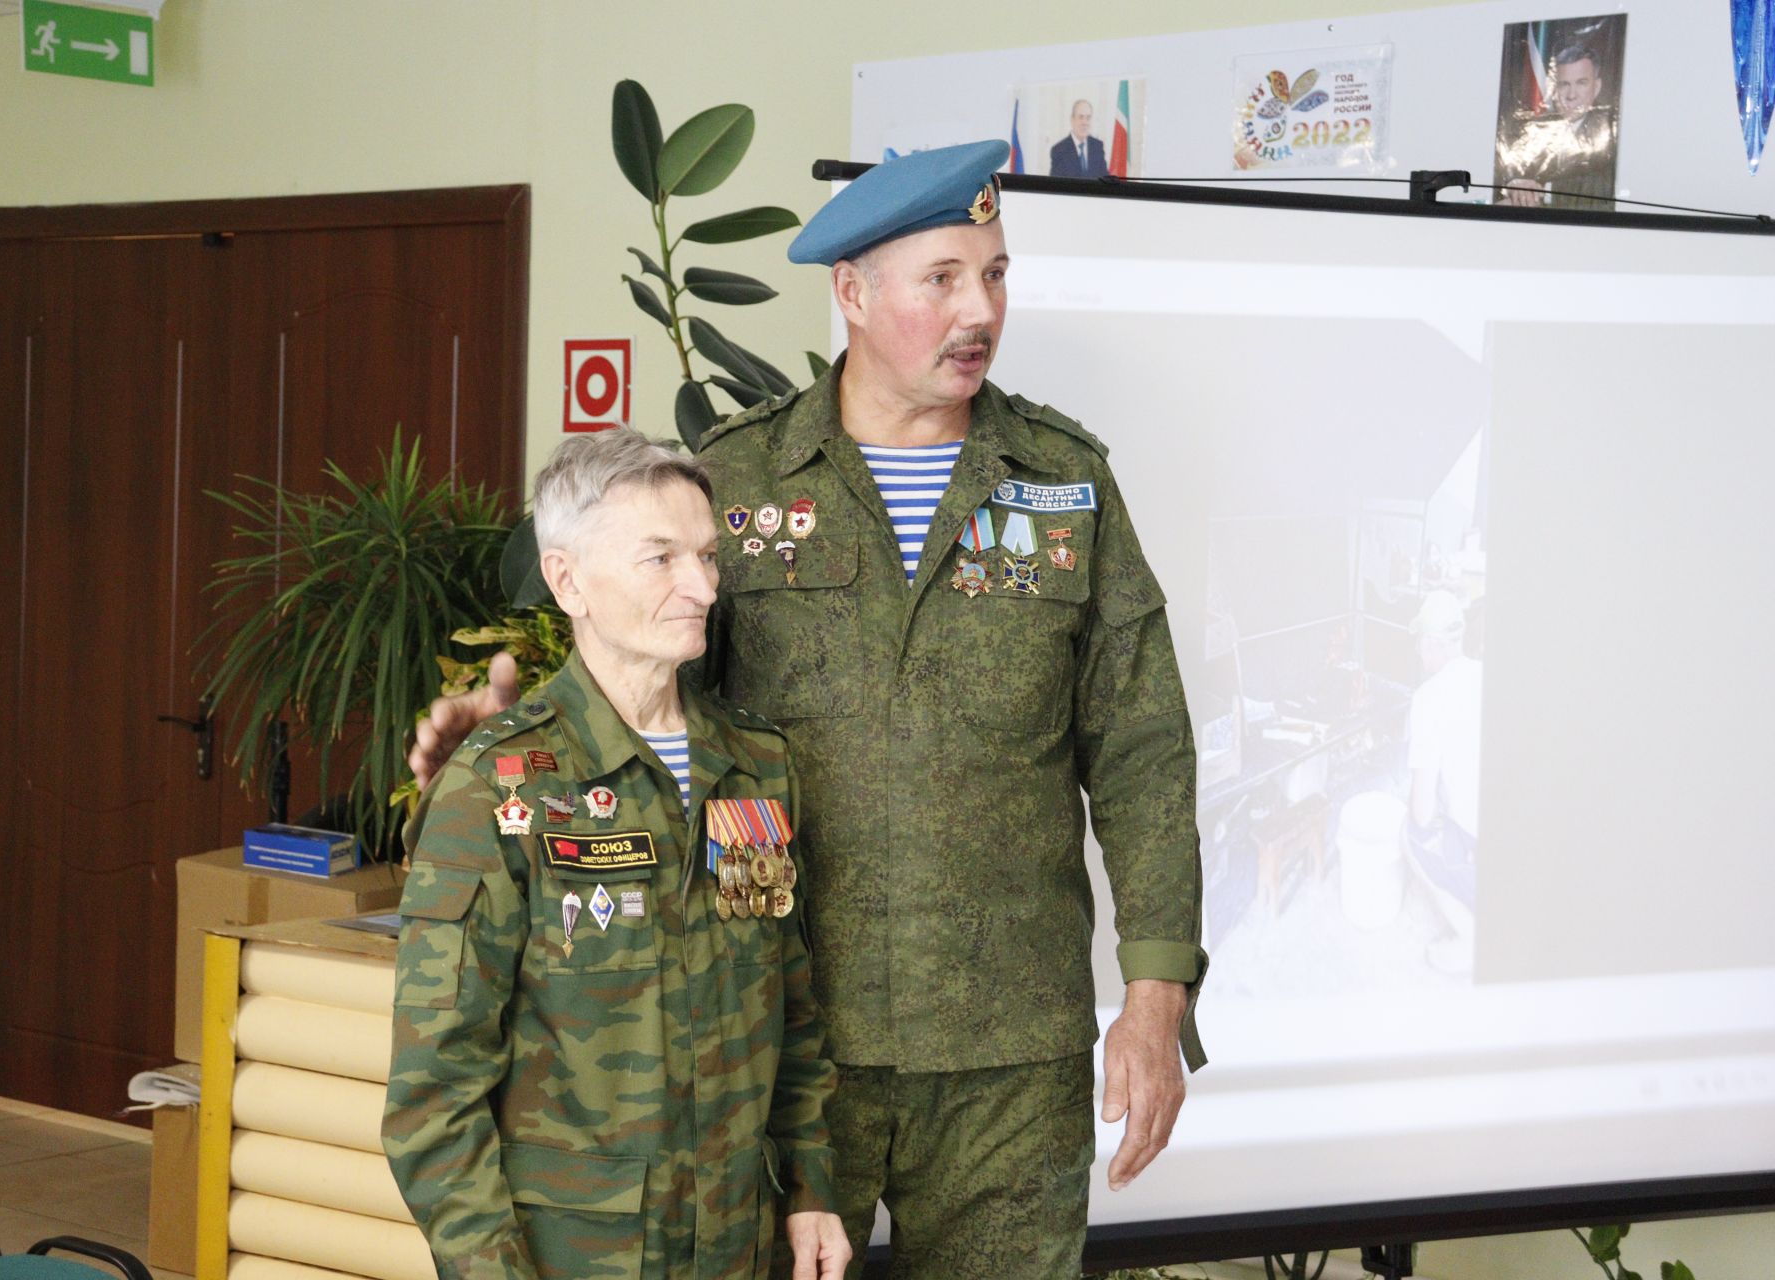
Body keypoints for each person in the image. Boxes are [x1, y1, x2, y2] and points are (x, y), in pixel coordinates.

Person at [412, 140, 1206, 1280]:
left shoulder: (1064, 482)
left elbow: (1141, 743)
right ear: (852, 291)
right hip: (780, 1040)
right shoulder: (736, 483)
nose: (978, 308)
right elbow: (632, 686)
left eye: (994, 274)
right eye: (942, 278)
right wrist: (491, 731)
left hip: (1005, 1054)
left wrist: (1154, 987)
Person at [383, 429, 850, 1280]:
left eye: (708, 556)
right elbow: (434, 1092)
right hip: (574, 1261)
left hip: (736, 1249)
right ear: (568, 581)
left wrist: (813, 1187)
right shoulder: (498, 787)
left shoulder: (756, 768)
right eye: (661, 559)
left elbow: (791, 1010)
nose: (703, 587)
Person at [1404, 589, 1481, 974]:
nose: (1419, 650)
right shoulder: (1485, 674)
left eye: (1420, 641)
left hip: (1480, 846)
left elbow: (1422, 811)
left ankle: (1471, 940)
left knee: (1411, 833)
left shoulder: (1428, 699)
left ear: (1433, 643)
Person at [1498, 43, 1618, 210]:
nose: (1571, 95)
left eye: (1581, 83)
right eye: (1564, 84)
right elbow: (1508, 166)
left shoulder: (1610, 131)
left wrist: (1542, 191)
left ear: (1596, 87)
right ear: (1554, 88)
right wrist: (1516, 182)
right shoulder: (1536, 126)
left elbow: (1600, 188)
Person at [1048, 98, 1108, 178]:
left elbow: (1105, 180)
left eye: (1088, 118)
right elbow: (1056, 186)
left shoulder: (1097, 146)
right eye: (1081, 117)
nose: (1085, 122)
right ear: (1072, 120)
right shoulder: (1059, 150)